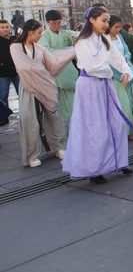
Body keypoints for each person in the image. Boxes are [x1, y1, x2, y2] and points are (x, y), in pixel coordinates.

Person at [62, 7, 133, 184]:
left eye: (107, 21)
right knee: (94, 127)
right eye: (103, 20)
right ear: (92, 20)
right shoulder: (82, 41)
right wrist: (112, 73)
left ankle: (119, 160)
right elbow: (92, 67)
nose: (106, 24)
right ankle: (94, 168)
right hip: (89, 87)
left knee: (115, 123)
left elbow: (118, 59)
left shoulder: (105, 40)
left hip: (105, 85)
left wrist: (126, 71)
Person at [10, 20, 76, 167]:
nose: (40, 35)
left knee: (54, 117)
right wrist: (44, 73)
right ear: (30, 32)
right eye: (39, 32)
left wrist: (72, 51)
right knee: (30, 120)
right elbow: (24, 68)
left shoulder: (40, 49)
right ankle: (31, 155)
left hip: (46, 87)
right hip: (28, 87)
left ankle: (58, 146)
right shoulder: (15, 47)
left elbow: (53, 65)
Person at [38, 10, 78, 122]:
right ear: (47, 22)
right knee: (58, 99)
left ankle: (74, 120)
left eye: (59, 23)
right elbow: (46, 53)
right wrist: (67, 51)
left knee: (72, 98)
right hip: (54, 71)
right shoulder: (44, 35)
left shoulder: (64, 33)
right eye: (53, 24)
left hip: (68, 70)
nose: (57, 26)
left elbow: (76, 36)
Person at [106, 15, 133, 140]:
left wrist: (125, 59)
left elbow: (127, 51)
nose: (118, 30)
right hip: (115, 76)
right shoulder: (105, 38)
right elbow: (107, 59)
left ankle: (127, 130)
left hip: (125, 71)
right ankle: (119, 131)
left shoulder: (119, 37)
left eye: (119, 27)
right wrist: (117, 72)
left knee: (128, 102)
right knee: (120, 104)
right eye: (116, 27)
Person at [0, 19, 18, 125]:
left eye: (6, 27)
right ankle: (4, 116)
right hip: (2, 73)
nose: (5, 29)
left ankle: (26, 114)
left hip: (16, 71)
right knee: (3, 95)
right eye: (2, 27)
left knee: (21, 92)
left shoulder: (14, 39)